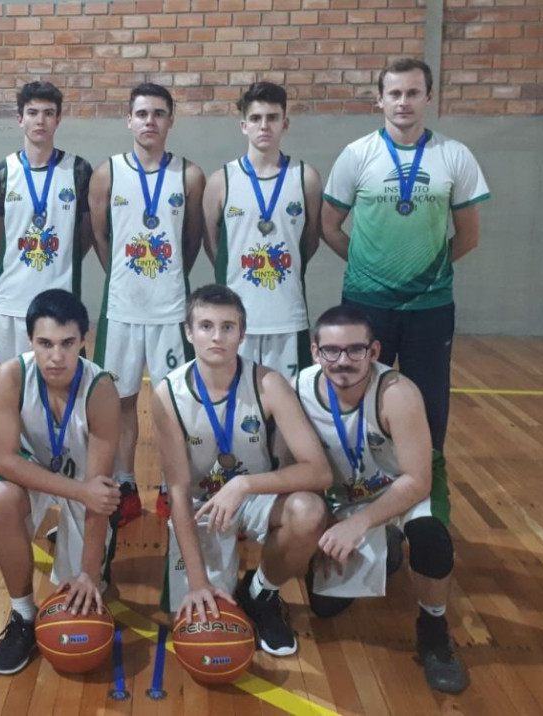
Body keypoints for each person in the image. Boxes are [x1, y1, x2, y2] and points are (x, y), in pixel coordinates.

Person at [321, 58, 490, 526]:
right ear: (379, 99)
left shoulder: (455, 156)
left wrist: (424, 275)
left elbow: (469, 235)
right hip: (364, 307)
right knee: (355, 401)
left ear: (428, 98)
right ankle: (352, 501)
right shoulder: (356, 155)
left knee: (430, 407)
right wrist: (368, 270)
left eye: (413, 93)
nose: (403, 102)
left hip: (429, 308)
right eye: (394, 94)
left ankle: (424, 511)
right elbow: (329, 225)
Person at [294, 304, 468, 693]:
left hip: (403, 486)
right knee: (324, 607)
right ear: (315, 351)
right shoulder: (299, 390)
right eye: (332, 351)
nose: (343, 361)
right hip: (346, 494)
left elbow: (419, 480)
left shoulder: (397, 394)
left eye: (356, 350)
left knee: (430, 538)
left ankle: (434, 630)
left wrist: (359, 523)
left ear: (374, 352)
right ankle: (387, 547)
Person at [151, 284, 331, 656]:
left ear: (242, 333)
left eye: (228, 327)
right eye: (205, 326)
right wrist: (198, 581)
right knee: (198, 621)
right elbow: (179, 491)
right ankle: (208, 579)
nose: (217, 336)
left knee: (310, 512)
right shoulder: (167, 394)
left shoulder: (267, 384)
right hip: (201, 504)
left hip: (255, 496)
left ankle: (262, 592)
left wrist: (244, 485)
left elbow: (319, 472)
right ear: (188, 332)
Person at [0, 81, 94, 524]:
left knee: (69, 388)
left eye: (48, 113)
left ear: (59, 119)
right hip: (12, 302)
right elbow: (2, 241)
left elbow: (83, 238)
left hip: (61, 305)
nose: (40, 121)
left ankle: (69, 471)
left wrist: (54, 271)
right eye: (32, 113)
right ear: (19, 119)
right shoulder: (0, 174)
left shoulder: (80, 171)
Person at [0, 289, 121, 675]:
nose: (56, 356)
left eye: (67, 344)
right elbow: (5, 460)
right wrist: (78, 492)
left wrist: (89, 573)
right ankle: (23, 616)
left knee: (77, 588)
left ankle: (89, 562)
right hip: (35, 474)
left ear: (83, 341)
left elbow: (101, 493)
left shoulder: (101, 390)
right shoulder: (12, 374)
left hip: (85, 481)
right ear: (30, 341)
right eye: (45, 343)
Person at [89, 82, 206, 524]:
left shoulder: (189, 175)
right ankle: (124, 484)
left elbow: (193, 239)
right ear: (129, 119)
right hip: (121, 307)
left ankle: (171, 486)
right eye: (142, 113)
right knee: (118, 401)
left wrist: (169, 276)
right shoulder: (108, 173)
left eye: (159, 113)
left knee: (173, 402)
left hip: (170, 309)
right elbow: (101, 237)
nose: (150, 121)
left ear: (171, 120)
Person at [203, 81, 323, 380]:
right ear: (243, 125)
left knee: (289, 407)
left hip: (288, 316)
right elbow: (212, 244)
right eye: (256, 118)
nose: (264, 126)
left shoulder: (305, 177)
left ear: (286, 123)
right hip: (236, 320)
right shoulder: (221, 180)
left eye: (272, 117)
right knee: (235, 402)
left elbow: (309, 242)